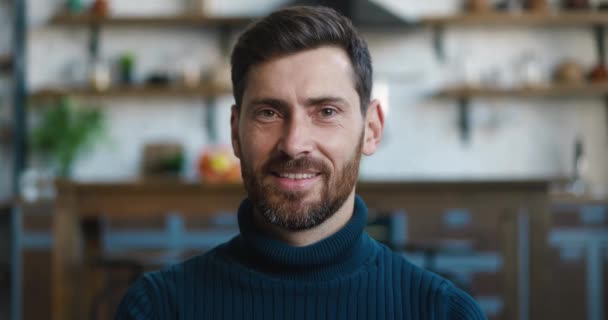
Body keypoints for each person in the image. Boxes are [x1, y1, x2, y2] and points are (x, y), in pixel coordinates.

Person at [115, 6, 486, 320]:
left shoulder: (442, 312)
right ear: (235, 132)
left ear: (371, 129)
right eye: (269, 112)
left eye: (325, 111)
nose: (294, 144)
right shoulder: (158, 308)